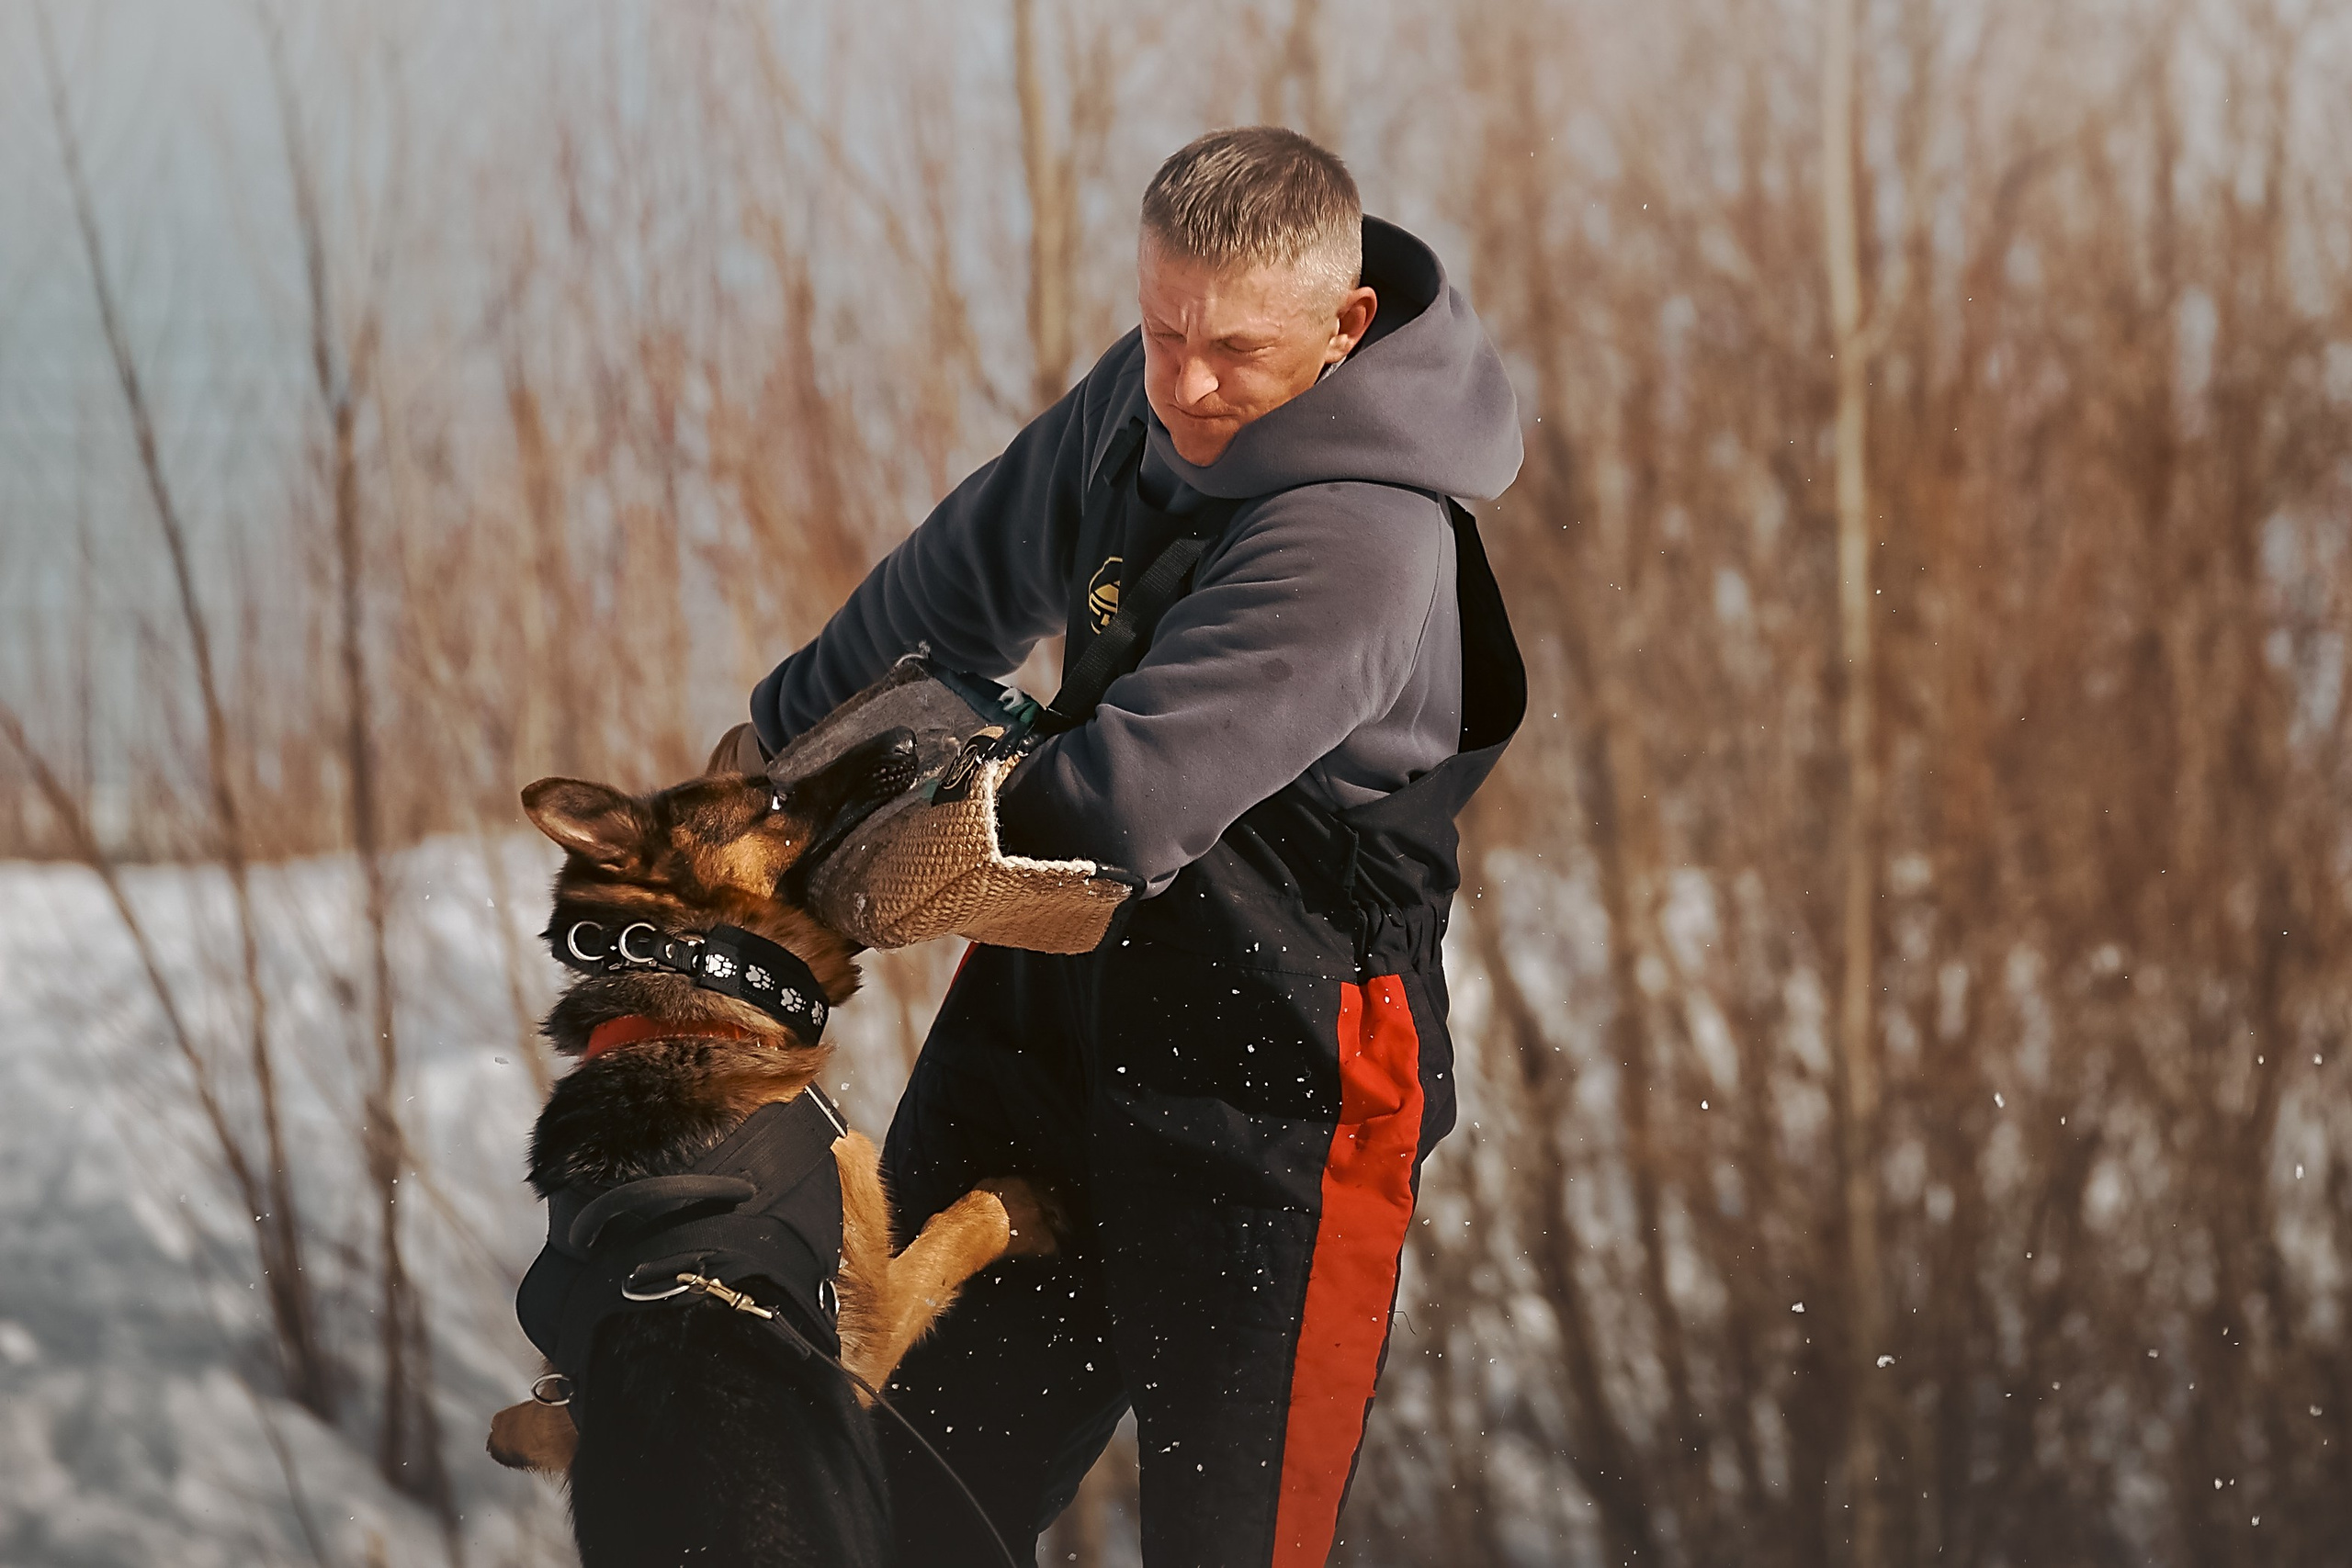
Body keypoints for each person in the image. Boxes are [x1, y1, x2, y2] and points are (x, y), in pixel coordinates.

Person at [744, 125, 1525, 1568]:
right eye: (1164, 328)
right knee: (897, 1501)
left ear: (1345, 326)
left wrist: (875, 864)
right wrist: (767, 772)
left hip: (1282, 1073)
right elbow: (951, 588)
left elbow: (1123, 802)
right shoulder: (1141, 399)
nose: (1186, 384)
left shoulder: (1367, 535)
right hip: (1053, 1013)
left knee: (1231, 1543)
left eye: (1234, 350)